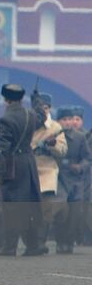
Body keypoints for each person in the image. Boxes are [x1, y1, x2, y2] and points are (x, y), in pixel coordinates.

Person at [0, 83, 43, 256]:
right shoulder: (30, 114)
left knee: (11, 206)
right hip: (29, 163)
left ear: (5, 99)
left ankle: (9, 246)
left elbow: (3, 148)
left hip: (13, 166)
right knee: (29, 205)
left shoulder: (5, 120)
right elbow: (42, 116)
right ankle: (33, 245)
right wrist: (36, 99)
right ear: (21, 99)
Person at [29, 93, 65, 256]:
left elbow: (63, 150)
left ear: (49, 108)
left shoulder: (55, 127)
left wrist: (51, 145)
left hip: (47, 171)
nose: (42, 111)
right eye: (39, 108)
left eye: (45, 107)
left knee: (45, 210)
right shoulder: (27, 123)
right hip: (28, 170)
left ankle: (39, 242)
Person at [53, 107, 88, 254]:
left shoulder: (80, 137)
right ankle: (60, 241)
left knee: (75, 213)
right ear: (58, 121)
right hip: (58, 178)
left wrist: (80, 167)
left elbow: (88, 157)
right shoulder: (53, 137)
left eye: (69, 119)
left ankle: (69, 242)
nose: (68, 122)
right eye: (64, 119)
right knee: (60, 211)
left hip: (75, 180)